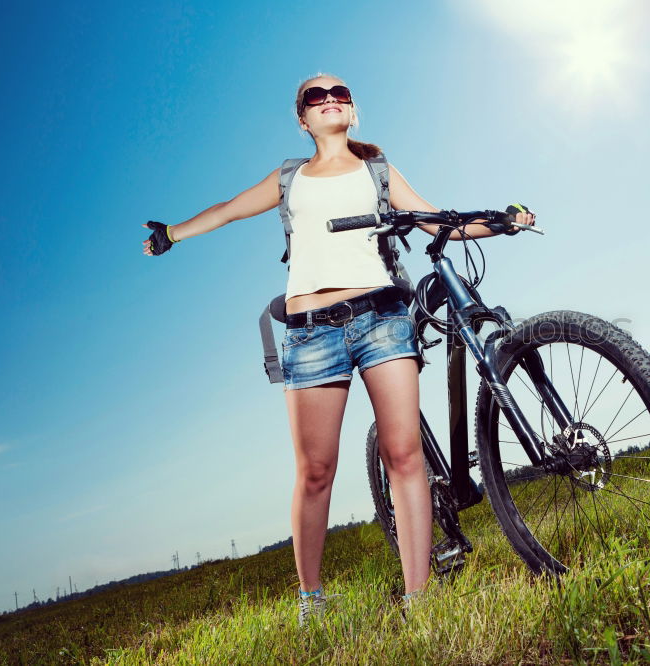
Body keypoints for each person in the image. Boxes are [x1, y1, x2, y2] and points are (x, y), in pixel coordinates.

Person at [142, 72, 536, 623]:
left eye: (340, 94)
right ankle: (312, 600)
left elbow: (432, 219)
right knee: (315, 472)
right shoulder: (288, 178)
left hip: (381, 319)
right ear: (302, 118)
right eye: (316, 96)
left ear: (352, 110)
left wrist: (501, 221)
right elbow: (229, 208)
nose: (330, 101)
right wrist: (172, 234)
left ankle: (418, 599)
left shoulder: (379, 170)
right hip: (310, 332)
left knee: (405, 456)